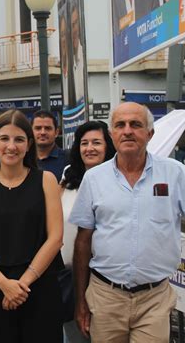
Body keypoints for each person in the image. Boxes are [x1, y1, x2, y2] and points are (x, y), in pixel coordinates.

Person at [70, 102, 185, 342]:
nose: (127, 131)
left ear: (150, 133)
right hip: (105, 296)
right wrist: (80, 302)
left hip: (154, 299)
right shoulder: (94, 178)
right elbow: (82, 242)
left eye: (136, 125)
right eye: (120, 125)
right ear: (111, 134)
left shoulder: (175, 173)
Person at [0, 109, 64, 342]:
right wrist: (4, 284)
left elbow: (55, 237)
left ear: (29, 144)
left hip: (39, 286)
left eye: (19, 139)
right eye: (4, 138)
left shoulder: (46, 180)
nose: (11, 146)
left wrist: (22, 285)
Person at [59, 121, 116, 343]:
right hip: (69, 279)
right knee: (74, 337)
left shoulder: (119, 181)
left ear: (108, 146)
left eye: (96, 142)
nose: (89, 148)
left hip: (106, 280)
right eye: (84, 143)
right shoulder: (67, 180)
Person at [32, 110, 69, 181]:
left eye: (48, 128)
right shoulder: (23, 160)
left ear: (56, 132)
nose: (43, 132)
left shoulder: (68, 160)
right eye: (38, 128)